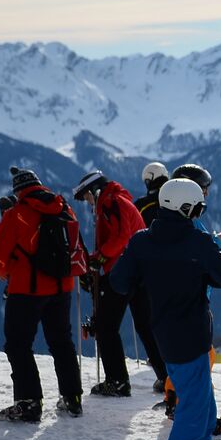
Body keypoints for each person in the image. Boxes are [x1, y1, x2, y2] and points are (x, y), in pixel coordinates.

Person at [110, 177, 221, 440]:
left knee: (205, 412)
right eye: (197, 207)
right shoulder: (198, 240)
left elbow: (119, 281)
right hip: (192, 338)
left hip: (164, 333)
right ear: (186, 207)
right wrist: (215, 253)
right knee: (194, 416)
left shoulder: (142, 241)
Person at [0, 167, 88, 422]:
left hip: (26, 290)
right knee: (61, 342)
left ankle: (29, 402)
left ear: (19, 191)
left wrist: (8, 273)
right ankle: (73, 398)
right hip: (62, 287)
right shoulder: (64, 208)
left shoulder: (16, 214)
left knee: (18, 345)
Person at [158, 162, 221, 438]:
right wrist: (220, 249)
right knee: (202, 359)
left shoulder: (181, 218)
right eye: (203, 188)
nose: (206, 194)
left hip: (180, 303)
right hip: (191, 303)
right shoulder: (190, 221)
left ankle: (177, 400)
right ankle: (195, 412)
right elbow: (199, 249)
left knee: (191, 359)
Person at [73, 170, 147, 397]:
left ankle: (117, 381)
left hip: (121, 272)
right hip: (134, 271)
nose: (88, 202)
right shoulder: (116, 200)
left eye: (87, 197)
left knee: (106, 327)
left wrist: (99, 259)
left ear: (95, 190)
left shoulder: (112, 202)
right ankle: (162, 378)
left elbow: (121, 237)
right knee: (132, 323)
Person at [131, 161, 171, 391]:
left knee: (147, 324)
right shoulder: (175, 200)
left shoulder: (141, 205)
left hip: (147, 274)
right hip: (176, 272)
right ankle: (176, 372)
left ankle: (163, 373)